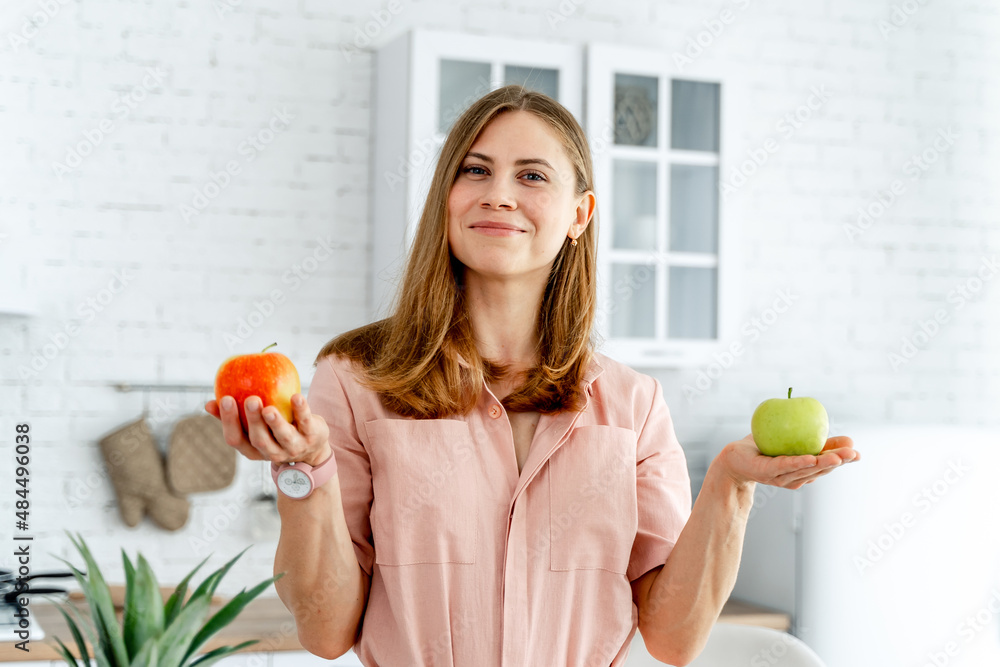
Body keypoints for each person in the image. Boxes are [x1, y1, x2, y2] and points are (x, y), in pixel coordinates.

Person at [205, 84, 859, 666]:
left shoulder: (633, 404)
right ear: (447, 199)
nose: (499, 194)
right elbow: (325, 630)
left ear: (579, 214)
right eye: (476, 170)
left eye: (533, 176)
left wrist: (730, 485)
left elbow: (672, 638)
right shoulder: (355, 381)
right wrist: (305, 476)